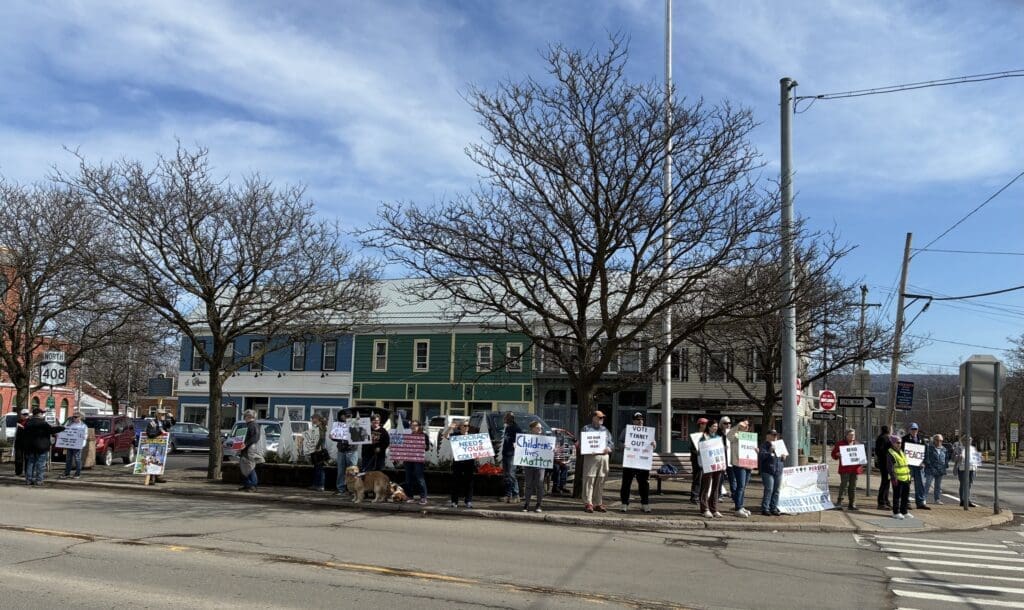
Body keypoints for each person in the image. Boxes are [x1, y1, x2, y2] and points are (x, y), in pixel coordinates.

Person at [619, 412, 654, 513]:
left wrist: (654, 444)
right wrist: (623, 446)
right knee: (626, 483)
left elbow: (652, 445)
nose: (640, 421)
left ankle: (645, 504)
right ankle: (624, 503)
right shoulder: (627, 430)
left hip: (642, 462)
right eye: (638, 419)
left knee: (644, 484)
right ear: (633, 421)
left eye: (642, 419)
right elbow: (620, 442)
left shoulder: (647, 432)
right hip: (629, 461)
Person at [580, 410, 614, 513]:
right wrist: (588, 449)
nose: (602, 419)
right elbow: (581, 443)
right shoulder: (586, 429)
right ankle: (588, 503)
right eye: (600, 417)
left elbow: (611, 443)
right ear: (594, 418)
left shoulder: (605, 430)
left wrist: (608, 448)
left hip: (604, 457)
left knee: (601, 479)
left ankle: (598, 503)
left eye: (603, 417)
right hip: (591, 457)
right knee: (589, 479)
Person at [22, 407, 65, 486]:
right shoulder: (43, 423)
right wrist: (62, 428)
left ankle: (28, 480)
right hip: (41, 447)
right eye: (42, 413)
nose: (43, 415)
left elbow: (24, 434)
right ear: (39, 414)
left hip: (30, 447)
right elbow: (51, 430)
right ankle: (39, 480)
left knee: (30, 463)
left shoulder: (28, 423)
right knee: (40, 464)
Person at [726, 416, 753, 517]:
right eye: (744, 424)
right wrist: (737, 426)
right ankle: (738, 508)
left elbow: (751, 450)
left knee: (743, 486)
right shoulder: (736, 435)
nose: (746, 426)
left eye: (747, 425)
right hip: (739, 464)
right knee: (740, 486)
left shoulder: (749, 436)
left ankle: (741, 506)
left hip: (748, 464)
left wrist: (756, 451)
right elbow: (728, 436)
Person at [831, 428, 864, 510]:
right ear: (846, 435)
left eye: (854, 435)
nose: (852, 436)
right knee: (844, 485)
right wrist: (837, 454)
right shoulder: (840, 444)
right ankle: (839, 502)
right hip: (845, 469)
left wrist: (862, 461)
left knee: (853, 487)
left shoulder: (857, 444)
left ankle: (852, 504)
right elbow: (833, 454)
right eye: (851, 435)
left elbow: (861, 456)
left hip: (855, 469)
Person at [446, 420, 475, 509]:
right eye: (464, 425)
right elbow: (445, 436)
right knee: (456, 482)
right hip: (458, 462)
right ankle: (454, 501)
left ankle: (468, 501)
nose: (467, 427)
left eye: (468, 425)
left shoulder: (472, 436)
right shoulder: (456, 435)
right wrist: (450, 428)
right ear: (460, 427)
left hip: (469, 462)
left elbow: (478, 447)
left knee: (469, 482)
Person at [698, 419, 723, 518]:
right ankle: (705, 508)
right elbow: (700, 450)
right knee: (706, 487)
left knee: (716, 487)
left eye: (716, 426)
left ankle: (714, 508)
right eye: (713, 426)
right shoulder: (704, 437)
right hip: (708, 465)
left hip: (717, 465)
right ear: (709, 427)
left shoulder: (718, 437)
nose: (715, 428)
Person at [902, 423, 929, 510]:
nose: (914, 431)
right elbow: (902, 452)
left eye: (915, 429)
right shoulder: (904, 439)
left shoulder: (921, 439)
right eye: (912, 429)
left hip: (919, 466)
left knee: (920, 484)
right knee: (906, 484)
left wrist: (924, 462)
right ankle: (906, 502)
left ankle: (920, 502)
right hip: (908, 465)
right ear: (909, 430)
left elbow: (926, 452)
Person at [403, 420, 431, 505]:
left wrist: (425, 446)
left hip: (418, 460)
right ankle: (410, 496)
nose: (413, 427)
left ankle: (423, 497)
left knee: (420, 478)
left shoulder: (423, 435)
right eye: (412, 425)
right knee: (408, 478)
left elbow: (427, 448)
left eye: (415, 425)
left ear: (419, 426)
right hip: (408, 460)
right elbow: (404, 447)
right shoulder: (408, 436)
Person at [333, 410, 360, 496]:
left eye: (349, 416)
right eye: (346, 416)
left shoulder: (356, 424)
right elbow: (335, 437)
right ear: (342, 417)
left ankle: (353, 490)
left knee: (353, 471)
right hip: (341, 450)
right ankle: (341, 489)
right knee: (341, 470)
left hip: (352, 450)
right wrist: (332, 437)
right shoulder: (339, 425)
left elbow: (361, 436)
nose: (347, 417)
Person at [521, 421, 545, 513]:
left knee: (539, 484)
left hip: (540, 465)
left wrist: (552, 450)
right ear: (532, 429)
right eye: (538, 427)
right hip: (529, 464)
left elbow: (548, 450)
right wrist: (517, 447)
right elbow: (522, 449)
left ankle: (539, 504)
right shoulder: (526, 439)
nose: (540, 429)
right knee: (528, 485)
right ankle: (526, 504)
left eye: (541, 428)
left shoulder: (544, 439)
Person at [759, 429, 784, 516]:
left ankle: (773, 507)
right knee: (769, 489)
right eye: (773, 435)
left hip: (778, 470)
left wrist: (783, 456)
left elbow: (782, 459)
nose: (775, 437)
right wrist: (770, 451)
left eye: (776, 435)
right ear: (768, 436)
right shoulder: (764, 445)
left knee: (776, 490)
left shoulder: (779, 445)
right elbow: (761, 457)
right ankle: (765, 508)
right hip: (767, 471)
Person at [887, 434, 912, 520]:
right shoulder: (891, 453)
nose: (899, 444)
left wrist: (909, 477)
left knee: (905, 496)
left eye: (900, 443)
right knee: (897, 496)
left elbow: (905, 465)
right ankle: (896, 512)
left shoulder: (901, 451)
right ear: (893, 443)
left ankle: (904, 511)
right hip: (897, 478)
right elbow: (890, 467)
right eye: (897, 443)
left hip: (906, 478)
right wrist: (893, 478)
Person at [145, 409, 172, 483]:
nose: (163, 416)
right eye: (162, 414)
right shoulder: (152, 423)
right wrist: (160, 432)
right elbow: (150, 434)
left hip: (162, 444)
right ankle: (150, 478)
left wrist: (172, 418)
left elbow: (171, 424)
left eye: (164, 414)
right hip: (153, 445)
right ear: (157, 414)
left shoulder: (164, 422)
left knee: (160, 460)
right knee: (152, 460)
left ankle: (157, 476)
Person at [238, 410, 262, 492]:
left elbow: (255, 437)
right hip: (247, 448)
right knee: (245, 466)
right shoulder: (251, 425)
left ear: (249, 417)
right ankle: (247, 484)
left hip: (249, 449)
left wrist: (245, 444)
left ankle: (252, 485)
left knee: (249, 467)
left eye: (245, 416)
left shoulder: (253, 425)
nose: (244, 418)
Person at [501, 412, 522, 503]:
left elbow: (520, 442)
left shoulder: (517, 429)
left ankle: (516, 495)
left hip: (512, 455)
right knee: (507, 476)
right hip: (505, 453)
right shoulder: (507, 428)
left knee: (511, 474)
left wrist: (516, 446)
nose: (504, 419)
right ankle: (508, 495)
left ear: (510, 418)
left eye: (506, 417)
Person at [59, 413, 88, 480]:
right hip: (70, 444)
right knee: (68, 459)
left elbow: (85, 436)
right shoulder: (70, 424)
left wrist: (82, 436)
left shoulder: (83, 426)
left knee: (77, 459)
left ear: (80, 417)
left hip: (78, 445)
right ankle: (67, 473)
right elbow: (65, 431)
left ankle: (77, 474)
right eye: (73, 417)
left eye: (76, 417)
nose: (74, 418)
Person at [923, 433, 949, 505]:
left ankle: (937, 499)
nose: (939, 442)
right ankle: (924, 499)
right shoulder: (929, 447)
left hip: (940, 469)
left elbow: (946, 458)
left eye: (941, 440)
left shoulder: (944, 449)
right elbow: (926, 457)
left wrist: (945, 466)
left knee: (938, 485)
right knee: (928, 484)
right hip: (931, 469)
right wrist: (928, 465)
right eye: (937, 440)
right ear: (934, 440)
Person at [953, 436, 978, 508]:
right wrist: (958, 457)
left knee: (969, 484)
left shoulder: (973, 448)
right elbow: (953, 458)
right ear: (963, 441)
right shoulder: (959, 448)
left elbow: (976, 459)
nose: (969, 441)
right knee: (963, 484)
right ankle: (963, 500)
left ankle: (967, 499)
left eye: (970, 440)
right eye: (967, 440)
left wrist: (978, 460)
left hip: (972, 468)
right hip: (962, 468)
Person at [689, 417, 708, 504]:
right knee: (697, 478)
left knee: (704, 479)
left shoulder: (708, 435)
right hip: (697, 459)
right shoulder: (695, 436)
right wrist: (696, 452)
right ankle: (694, 496)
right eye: (705, 424)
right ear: (700, 425)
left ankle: (702, 496)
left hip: (706, 459)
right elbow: (692, 448)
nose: (707, 425)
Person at [874, 425, 892, 510]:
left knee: (887, 482)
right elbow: (880, 451)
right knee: (885, 482)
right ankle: (881, 502)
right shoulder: (883, 438)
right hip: (885, 463)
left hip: (885, 463)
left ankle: (885, 500)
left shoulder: (882, 438)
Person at [308, 414, 327, 492]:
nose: (312, 420)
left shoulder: (320, 427)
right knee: (316, 468)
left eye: (312, 419)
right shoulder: (317, 427)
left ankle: (321, 485)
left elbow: (321, 438)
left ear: (316, 419)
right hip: (316, 450)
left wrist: (316, 447)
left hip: (319, 450)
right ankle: (316, 484)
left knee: (319, 468)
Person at [550, 430, 571, 495]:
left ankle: (562, 486)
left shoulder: (563, 445)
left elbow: (565, 455)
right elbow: (551, 455)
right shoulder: (551, 444)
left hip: (559, 461)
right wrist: (559, 461)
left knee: (565, 467)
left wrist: (564, 461)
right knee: (556, 468)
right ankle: (555, 487)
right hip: (553, 461)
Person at [13, 408, 30, 477]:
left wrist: (22, 427)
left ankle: (27, 472)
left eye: (27, 415)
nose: (25, 416)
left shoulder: (29, 421)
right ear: (21, 415)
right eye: (24, 415)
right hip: (18, 442)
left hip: (27, 443)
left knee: (27, 458)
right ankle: (18, 472)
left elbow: (29, 430)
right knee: (18, 458)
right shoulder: (18, 421)